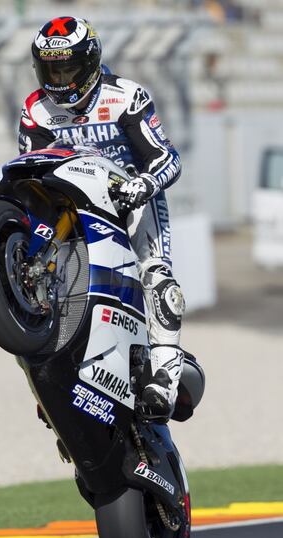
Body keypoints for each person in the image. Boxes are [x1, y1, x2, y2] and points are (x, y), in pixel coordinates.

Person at [18, 16, 185, 421]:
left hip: (131, 203)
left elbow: (167, 157)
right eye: (50, 68)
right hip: (71, 211)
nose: (59, 78)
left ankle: (164, 380)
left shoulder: (126, 97)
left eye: (67, 67)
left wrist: (143, 185)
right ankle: (54, 382)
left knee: (158, 280)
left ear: (90, 61)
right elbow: (27, 168)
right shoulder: (36, 110)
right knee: (46, 288)